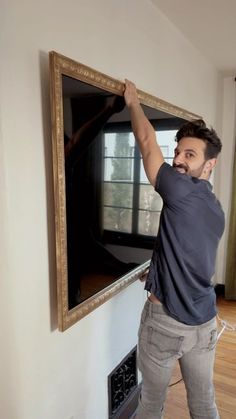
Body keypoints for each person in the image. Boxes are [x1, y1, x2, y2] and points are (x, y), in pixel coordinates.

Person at [123, 79, 225, 419]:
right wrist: (160, 271)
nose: (178, 160)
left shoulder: (180, 191)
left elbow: (146, 140)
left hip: (164, 326)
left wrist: (134, 103)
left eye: (190, 155)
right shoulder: (214, 207)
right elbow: (192, 255)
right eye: (178, 151)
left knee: (151, 405)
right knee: (204, 404)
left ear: (209, 164)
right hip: (205, 323)